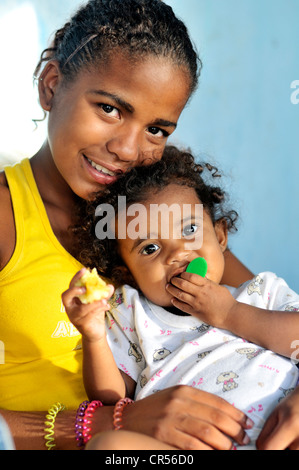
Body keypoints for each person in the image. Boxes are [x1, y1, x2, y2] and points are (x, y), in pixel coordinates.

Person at [0, 0, 258, 451]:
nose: (127, 148)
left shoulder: (166, 221)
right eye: (110, 109)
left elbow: (271, 317)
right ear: (52, 86)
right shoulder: (7, 218)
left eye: (157, 130)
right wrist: (103, 423)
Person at [63, 146, 299, 450]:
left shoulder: (262, 292)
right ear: (129, 275)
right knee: (108, 446)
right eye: (150, 248)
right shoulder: (131, 314)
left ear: (221, 236)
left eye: (189, 229)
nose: (177, 253)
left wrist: (229, 314)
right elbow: (112, 397)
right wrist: (94, 335)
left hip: (283, 435)